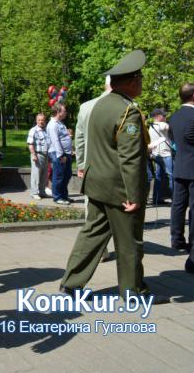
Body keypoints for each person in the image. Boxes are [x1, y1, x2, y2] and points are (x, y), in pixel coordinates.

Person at [60, 50, 168, 303]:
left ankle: (71, 284)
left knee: (92, 234)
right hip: (120, 189)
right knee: (129, 241)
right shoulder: (127, 111)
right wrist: (133, 195)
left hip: (97, 183)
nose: (142, 82)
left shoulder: (99, 105)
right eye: (140, 78)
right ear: (131, 81)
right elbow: (130, 158)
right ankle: (134, 293)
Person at [75, 76, 113, 262]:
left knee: (93, 213)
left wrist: (81, 165)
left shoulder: (86, 107)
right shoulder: (129, 106)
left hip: (92, 168)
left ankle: (99, 250)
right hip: (117, 171)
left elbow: (80, 140)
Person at [168, 83, 194, 261]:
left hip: (180, 166)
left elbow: (174, 140)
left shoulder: (174, 116)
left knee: (178, 205)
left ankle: (177, 239)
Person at [46, 103, 73, 205]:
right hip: (58, 153)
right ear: (58, 112)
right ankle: (57, 197)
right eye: (64, 111)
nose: (65, 113)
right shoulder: (53, 125)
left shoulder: (60, 123)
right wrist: (61, 155)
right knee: (59, 176)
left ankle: (64, 196)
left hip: (66, 153)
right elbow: (55, 141)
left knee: (67, 175)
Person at [148, 108, 174, 205]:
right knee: (171, 176)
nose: (165, 117)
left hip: (155, 154)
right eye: (164, 116)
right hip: (166, 154)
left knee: (159, 176)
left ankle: (157, 198)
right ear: (158, 117)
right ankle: (174, 198)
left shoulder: (151, 126)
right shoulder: (162, 124)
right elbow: (167, 128)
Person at [27, 113, 51, 200]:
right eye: (39, 120)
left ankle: (42, 192)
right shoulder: (33, 130)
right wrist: (33, 155)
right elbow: (30, 144)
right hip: (37, 154)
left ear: (45, 121)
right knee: (36, 175)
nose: (41, 122)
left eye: (43, 120)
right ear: (36, 121)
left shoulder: (46, 130)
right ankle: (34, 192)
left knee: (44, 175)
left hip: (46, 155)